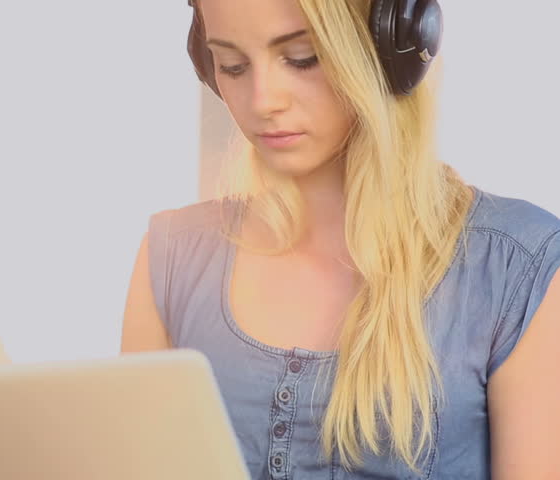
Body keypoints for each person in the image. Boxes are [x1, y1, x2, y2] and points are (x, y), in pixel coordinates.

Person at [121, 0, 560, 478]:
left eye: (303, 57)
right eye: (233, 65)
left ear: (393, 45)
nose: (262, 100)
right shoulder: (172, 256)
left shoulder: (519, 267)